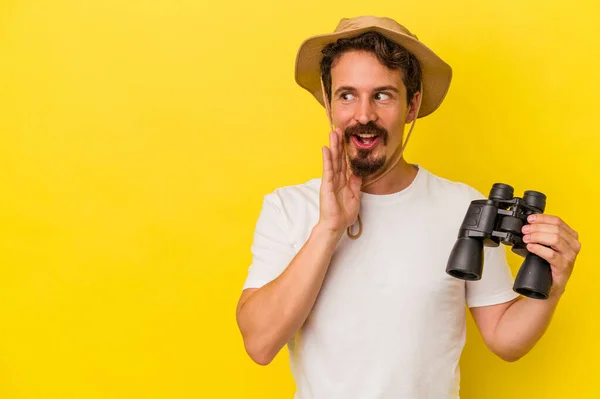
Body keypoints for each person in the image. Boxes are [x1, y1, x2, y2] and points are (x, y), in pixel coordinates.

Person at [235, 15, 582, 398]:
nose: (364, 114)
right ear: (329, 103)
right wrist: (329, 228)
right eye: (347, 94)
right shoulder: (288, 207)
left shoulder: (462, 205)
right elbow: (260, 343)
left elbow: (504, 337)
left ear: (412, 105)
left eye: (382, 95)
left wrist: (554, 283)